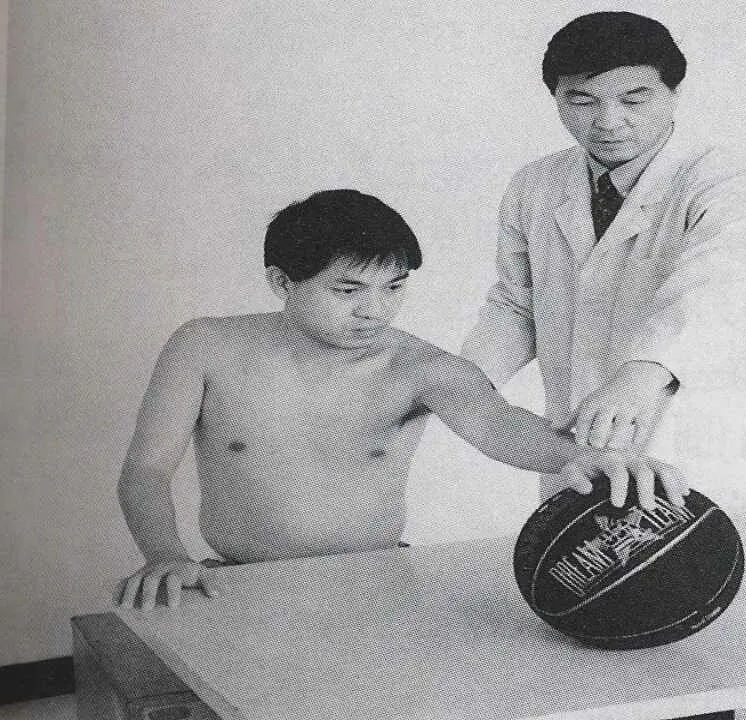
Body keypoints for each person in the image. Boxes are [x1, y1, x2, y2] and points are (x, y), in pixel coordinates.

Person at [116, 189, 687, 611]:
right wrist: (165, 554)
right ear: (282, 281)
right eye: (348, 290)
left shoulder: (418, 366)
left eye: (393, 288)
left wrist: (581, 457)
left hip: (380, 577)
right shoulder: (205, 347)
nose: (375, 310)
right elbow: (146, 469)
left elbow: (498, 423)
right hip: (238, 581)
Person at [462, 11, 746, 501]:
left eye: (634, 99)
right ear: (556, 98)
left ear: (674, 93)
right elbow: (517, 306)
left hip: (689, 436)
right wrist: (457, 383)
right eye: (582, 100)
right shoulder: (535, 184)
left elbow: (716, 287)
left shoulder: (719, 178)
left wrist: (642, 374)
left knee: (692, 542)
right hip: (576, 444)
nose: (607, 121)